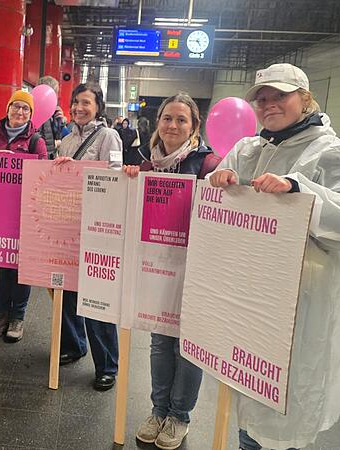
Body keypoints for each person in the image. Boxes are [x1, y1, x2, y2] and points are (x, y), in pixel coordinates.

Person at [209, 63, 340, 450]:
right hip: (251, 295)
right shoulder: (248, 150)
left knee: (284, 398)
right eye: (262, 99)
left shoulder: (331, 153)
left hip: (302, 300)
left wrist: (298, 188)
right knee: (247, 385)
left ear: (304, 99)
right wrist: (219, 180)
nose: (268, 105)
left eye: (280, 96)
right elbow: (222, 205)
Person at [123, 93, 221, 450]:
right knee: (161, 341)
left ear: (194, 126)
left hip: (196, 269)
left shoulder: (208, 164)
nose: (173, 126)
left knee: (189, 345)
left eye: (182, 120)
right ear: (157, 123)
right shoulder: (148, 164)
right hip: (158, 269)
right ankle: (158, 410)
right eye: (167, 118)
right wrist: (131, 178)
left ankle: (180, 416)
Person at [55, 81, 123, 391]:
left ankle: (107, 364)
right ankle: (74, 344)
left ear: (98, 106)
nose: (80, 108)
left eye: (87, 102)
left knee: (97, 300)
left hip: (98, 228)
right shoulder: (67, 141)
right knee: (68, 292)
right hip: (69, 223)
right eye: (76, 102)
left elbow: (116, 179)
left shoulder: (109, 136)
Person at [0, 90, 47, 342]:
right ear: (7, 109)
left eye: (25, 109)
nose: (20, 112)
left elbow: (42, 177)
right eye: (16, 107)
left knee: (19, 267)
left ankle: (17, 316)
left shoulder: (35, 141)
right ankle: (0, 315)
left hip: (22, 212)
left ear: (31, 114)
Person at [36, 76, 67, 159]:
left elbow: (61, 136)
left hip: (49, 157)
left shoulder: (52, 113)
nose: (57, 97)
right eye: (55, 93)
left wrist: (61, 123)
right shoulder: (34, 112)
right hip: (39, 159)